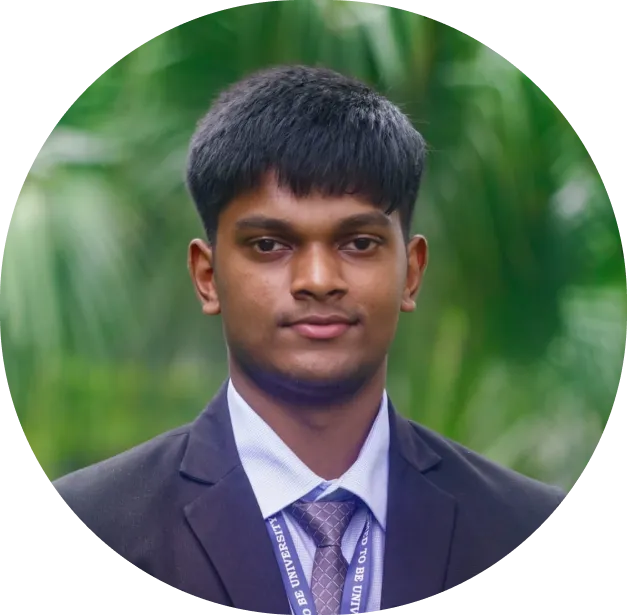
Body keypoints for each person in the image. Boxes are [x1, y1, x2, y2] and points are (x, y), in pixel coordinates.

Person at [51, 65, 566, 613]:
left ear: (412, 272)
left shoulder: (524, 525)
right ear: (207, 276)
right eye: (269, 245)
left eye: (359, 243)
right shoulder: (96, 521)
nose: (318, 280)